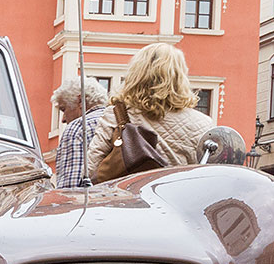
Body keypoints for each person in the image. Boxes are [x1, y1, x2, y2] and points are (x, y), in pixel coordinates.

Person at [87, 43, 216, 183]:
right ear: (180, 77)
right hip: (175, 201)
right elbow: (208, 177)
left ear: (136, 74)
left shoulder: (116, 114)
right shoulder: (202, 123)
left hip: (124, 199)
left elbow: (91, 167)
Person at [52, 77, 108, 188]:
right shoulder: (117, 122)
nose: (63, 119)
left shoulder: (79, 128)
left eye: (64, 109)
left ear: (80, 101)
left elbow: (70, 191)